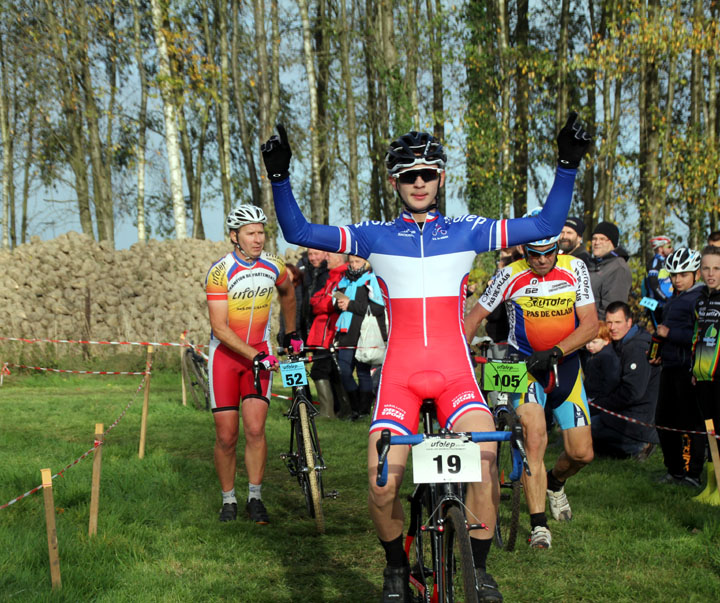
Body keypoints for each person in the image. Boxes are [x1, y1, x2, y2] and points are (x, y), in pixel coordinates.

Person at [261, 114, 591, 602]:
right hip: (401, 377)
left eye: (428, 173)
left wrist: (567, 164)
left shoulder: (467, 230)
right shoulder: (373, 236)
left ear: (440, 178)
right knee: (380, 484)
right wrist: (280, 177)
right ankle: (396, 567)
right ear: (395, 183)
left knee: (484, 460)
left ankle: (477, 570)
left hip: (456, 375)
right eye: (409, 175)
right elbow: (298, 230)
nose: (419, 182)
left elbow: (544, 225)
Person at [465, 212, 598, 550]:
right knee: (534, 438)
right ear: (524, 251)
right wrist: (458, 354)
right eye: (533, 254)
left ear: (558, 248)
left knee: (581, 453)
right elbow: (474, 316)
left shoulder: (574, 268)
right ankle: (539, 526)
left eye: (548, 253)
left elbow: (590, 325)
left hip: (564, 366)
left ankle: (555, 482)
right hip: (522, 367)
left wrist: (555, 351)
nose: (541, 260)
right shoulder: (509, 274)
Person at [205, 205, 302, 524]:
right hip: (226, 358)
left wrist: (291, 332)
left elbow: (288, 293)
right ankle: (228, 499)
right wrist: (254, 355)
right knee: (227, 436)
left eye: (261, 232)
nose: (258, 238)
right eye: (250, 233)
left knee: (257, 430)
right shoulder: (220, 272)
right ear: (235, 236)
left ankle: (255, 498)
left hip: (259, 353)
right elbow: (219, 328)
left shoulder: (273, 265)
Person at [650, 248, 704, 487]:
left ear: (696, 274)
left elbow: (700, 335)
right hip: (670, 366)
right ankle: (674, 470)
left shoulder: (700, 299)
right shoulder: (674, 298)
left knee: (690, 424)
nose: (677, 279)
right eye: (673, 275)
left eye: (683, 274)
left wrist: (670, 333)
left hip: (687, 369)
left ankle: (692, 474)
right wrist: (658, 352)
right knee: (662, 420)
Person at [590, 301, 660, 460]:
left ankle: (638, 446)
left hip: (637, 420)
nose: (613, 327)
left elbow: (632, 392)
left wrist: (600, 405)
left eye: (618, 322)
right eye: (609, 322)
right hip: (624, 412)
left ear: (629, 322)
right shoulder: (621, 344)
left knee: (588, 428)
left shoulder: (637, 347)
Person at [332, 255, 387, 420]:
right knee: (345, 370)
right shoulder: (344, 280)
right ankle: (355, 408)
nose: (354, 265)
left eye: (358, 262)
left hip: (364, 333)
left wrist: (351, 304)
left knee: (363, 373)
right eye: (351, 262)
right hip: (346, 332)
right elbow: (337, 306)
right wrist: (339, 304)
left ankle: (363, 412)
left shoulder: (371, 279)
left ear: (366, 263)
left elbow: (378, 307)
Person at [308, 252, 349, 418]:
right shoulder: (331, 278)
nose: (327, 259)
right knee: (330, 370)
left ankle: (327, 412)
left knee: (321, 370)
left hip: (331, 332)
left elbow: (333, 304)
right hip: (323, 331)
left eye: (329, 256)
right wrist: (322, 302)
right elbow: (316, 300)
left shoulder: (342, 278)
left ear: (339, 259)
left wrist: (322, 303)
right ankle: (342, 410)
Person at [691, 245, 720, 444]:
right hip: (702, 377)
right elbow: (696, 336)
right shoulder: (700, 300)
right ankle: (713, 475)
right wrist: (694, 369)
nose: (711, 274)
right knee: (710, 433)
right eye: (706, 268)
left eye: (717, 269)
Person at [586, 221, 632, 320]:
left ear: (612, 242)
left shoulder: (618, 268)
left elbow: (613, 307)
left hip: (600, 329)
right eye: (594, 239)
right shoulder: (593, 264)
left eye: (602, 239)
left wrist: (599, 329)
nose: (597, 242)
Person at [582, 321, 620, 399]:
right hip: (591, 394)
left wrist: (600, 397)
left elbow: (611, 380)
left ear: (606, 341)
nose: (589, 345)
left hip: (598, 397)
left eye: (594, 342)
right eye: (587, 342)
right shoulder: (594, 354)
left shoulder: (606, 357)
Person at [644, 235, 674, 324]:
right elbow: (653, 285)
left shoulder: (667, 261)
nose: (671, 248)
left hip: (668, 302)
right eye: (668, 246)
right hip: (659, 305)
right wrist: (665, 299)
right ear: (660, 248)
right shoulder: (655, 262)